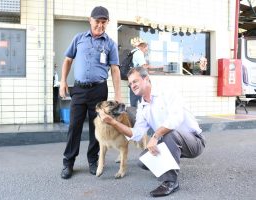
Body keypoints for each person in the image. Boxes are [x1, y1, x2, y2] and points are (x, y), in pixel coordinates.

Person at [98, 67, 205, 197]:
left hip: (194, 141)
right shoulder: (142, 107)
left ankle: (171, 181)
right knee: (142, 161)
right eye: (130, 83)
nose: (132, 86)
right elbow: (136, 133)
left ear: (146, 79)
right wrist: (114, 123)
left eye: (135, 81)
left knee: (169, 134)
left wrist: (155, 136)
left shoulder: (167, 92)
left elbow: (176, 119)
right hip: (170, 141)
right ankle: (171, 160)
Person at [59, 6, 121, 179]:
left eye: (104, 22)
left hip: (99, 90)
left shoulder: (110, 44)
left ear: (107, 23)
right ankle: (68, 163)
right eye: (97, 21)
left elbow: (115, 70)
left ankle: (93, 161)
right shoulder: (79, 38)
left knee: (97, 127)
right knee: (74, 126)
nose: (100, 25)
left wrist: (118, 95)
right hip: (78, 89)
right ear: (90, 20)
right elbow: (68, 60)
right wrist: (63, 81)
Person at [129, 37, 153, 107]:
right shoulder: (139, 53)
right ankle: (143, 116)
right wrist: (159, 67)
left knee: (134, 102)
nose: (146, 50)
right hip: (139, 79)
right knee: (144, 102)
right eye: (146, 48)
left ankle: (134, 116)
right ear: (142, 46)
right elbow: (144, 66)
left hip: (134, 78)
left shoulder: (134, 52)